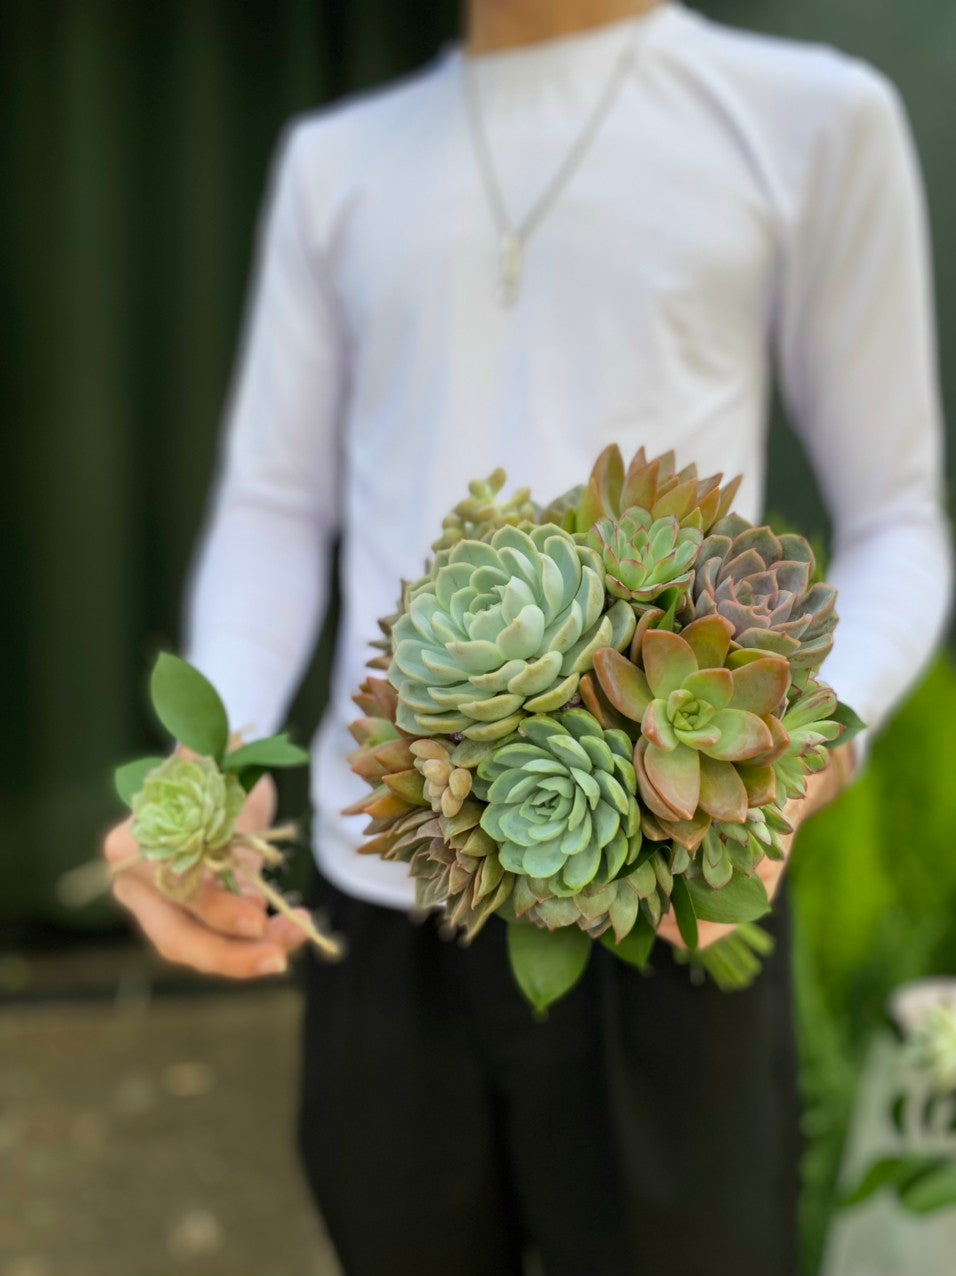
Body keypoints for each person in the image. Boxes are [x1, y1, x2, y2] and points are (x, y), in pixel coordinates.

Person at [103, 1, 953, 1272]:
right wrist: (204, 761)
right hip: (377, 906)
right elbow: (279, 509)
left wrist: (796, 762)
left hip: (669, 908)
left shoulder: (808, 118)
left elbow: (897, 521)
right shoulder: (336, 161)